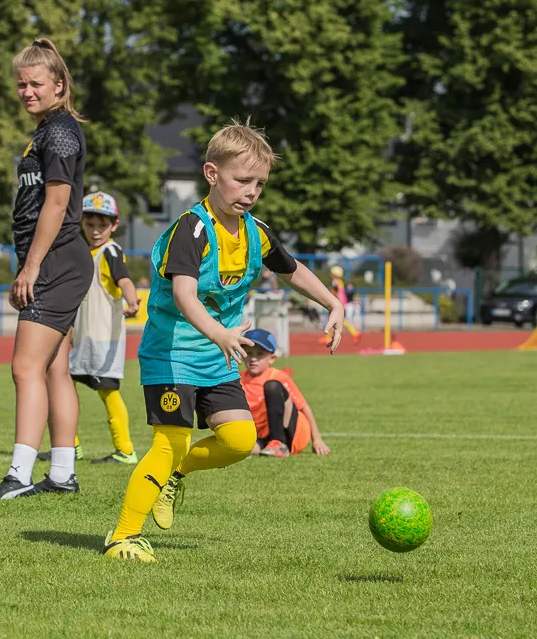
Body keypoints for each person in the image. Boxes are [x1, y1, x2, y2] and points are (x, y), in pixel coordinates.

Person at [102, 122, 345, 563]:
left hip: (217, 357)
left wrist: (332, 303)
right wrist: (219, 333)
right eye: (242, 180)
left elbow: (291, 270)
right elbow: (184, 294)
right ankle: (121, 538)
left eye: (260, 184)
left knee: (238, 441)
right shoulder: (192, 230)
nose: (251, 192)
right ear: (212, 174)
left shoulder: (256, 231)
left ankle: (173, 477)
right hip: (173, 354)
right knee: (169, 442)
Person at [0, 38, 93, 500]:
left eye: (36, 83)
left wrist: (31, 267)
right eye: (21, 84)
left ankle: (19, 475)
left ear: (59, 86)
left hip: (57, 260)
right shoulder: (47, 130)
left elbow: (57, 204)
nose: (27, 91)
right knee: (54, 369)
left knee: (25, 367)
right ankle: (61, 475)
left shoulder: (59, 131)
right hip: (60, 259)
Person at [42, 191, 141, 465]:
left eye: (102, 225)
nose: (96, 231)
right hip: (84, 340)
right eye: (90, 224)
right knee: (61, 384)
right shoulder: (86, 254)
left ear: (114, 225)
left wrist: (133, 301)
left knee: (107, 392)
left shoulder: (110, 252)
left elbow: (124, 280)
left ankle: (125, 450)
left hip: (102, 342)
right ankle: (69, 446)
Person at [238, 328, 330, 458]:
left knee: (272, 386)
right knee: (239, 448)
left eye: (260, 354)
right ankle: (266, 446)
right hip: (261, 434)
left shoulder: (278, 376)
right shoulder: (239, 379)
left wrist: (317, 440)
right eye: (249, 353)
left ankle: (279, 443)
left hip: (288, 433)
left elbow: (304, 407)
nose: (253, 358)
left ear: (272, 358)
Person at [329, 265, 362, 345]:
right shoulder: (339, 282)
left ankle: (355, 332)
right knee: (334, 320)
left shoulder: (335, 282)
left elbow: (336, 293)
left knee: (335, 320)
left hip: (338, 303)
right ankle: (328, 337)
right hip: (341, 303)